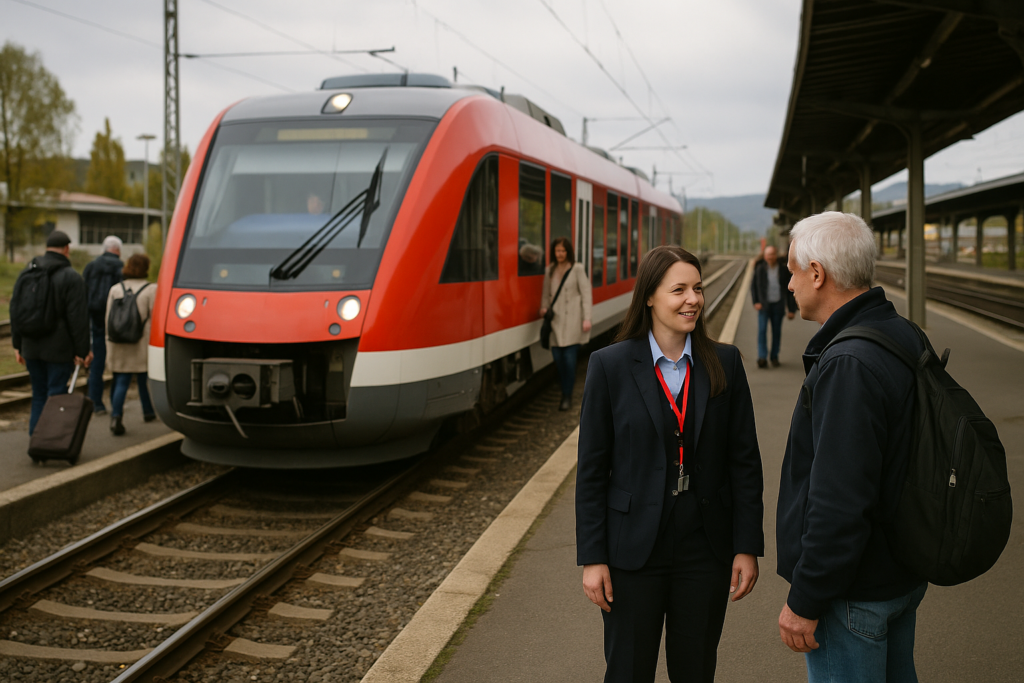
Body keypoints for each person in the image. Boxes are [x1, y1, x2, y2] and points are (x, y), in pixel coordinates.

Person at [577, 245, 764, 682]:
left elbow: (745, 464)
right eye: (679, 289)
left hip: (705, 548)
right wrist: (593, 557)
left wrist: (746, 545)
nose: (693, 299)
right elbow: (591, 471)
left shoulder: (726, 363)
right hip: (631, 551)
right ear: (649, 297)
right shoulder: (610, 366)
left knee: (695, 671)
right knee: (628, 671)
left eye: (697, 288)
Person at [776, 212, 927, 682]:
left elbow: (839, 498)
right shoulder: (902, 332)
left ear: (817, 274)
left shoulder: (847, 362)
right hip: (899, 571)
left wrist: (805, 599)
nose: (789, 284)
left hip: (852, 592)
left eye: (792, 271)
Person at [11, 230, 92, 435]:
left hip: (30, 347)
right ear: (66, 249)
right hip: (58, 349)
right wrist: (83, 350)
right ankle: (49, 443)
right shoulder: (71, 277)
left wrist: (17, 345)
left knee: (38, 395)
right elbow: (78, 318)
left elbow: (15, 311)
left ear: (47, 248)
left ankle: (35, 440)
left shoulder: (27, 272)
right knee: (56, 395)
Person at [105, 253, 158, 435]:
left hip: (118, 342)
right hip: (140, 342)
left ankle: (116, 417)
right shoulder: (151, 290)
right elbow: (155, 318)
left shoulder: (115, 289)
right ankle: (148, 411)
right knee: (143, 377)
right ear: (146, 268)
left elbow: (107, 319)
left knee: (121, 380)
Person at [540, 237, 592, 411]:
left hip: (573, 322)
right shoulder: (550, 270)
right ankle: (565, 390)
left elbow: (586, 294)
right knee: (558, 360)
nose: (560, 254)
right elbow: (546, 293)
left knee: (569, 361)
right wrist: (543, 308)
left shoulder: (577, 269)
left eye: (562, 250)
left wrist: (587, 318)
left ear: (568, 251)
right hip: (555, 322)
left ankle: (566, 396)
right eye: (557, 251)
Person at [81, 235, 124, 414]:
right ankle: (116, 403)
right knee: (118, 366)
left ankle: (96, 403)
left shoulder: (91, 266)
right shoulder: (121, 267)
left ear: (104, 248)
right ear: (118, 250)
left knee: (96, 365)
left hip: (94, 321)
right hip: (116, 324)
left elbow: (83, 293)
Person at [750, 245, 797, 368]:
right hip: (764, 306)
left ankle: (774, 356)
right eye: (768, 254)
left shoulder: (783, 270)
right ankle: (762, 357)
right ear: (765, 256)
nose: (770, 257)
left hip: (778, 305)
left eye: (772, 254)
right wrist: (756, 301)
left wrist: (791, 309)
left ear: (776, 255)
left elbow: (789, 290)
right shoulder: (760, 268)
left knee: (776, 332)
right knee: (762, 331)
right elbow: (753, 286)